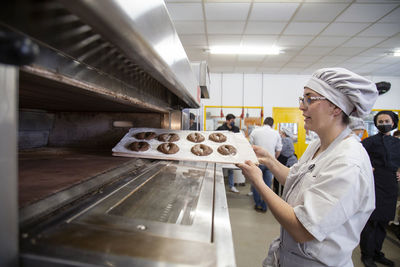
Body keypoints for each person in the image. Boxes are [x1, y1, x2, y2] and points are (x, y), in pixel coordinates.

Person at [237, 67, 378, 266]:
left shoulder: (348, 163)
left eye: (310, 99)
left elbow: (302, 229)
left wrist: (259, 182)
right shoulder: (318, 145)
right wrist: (269, 159)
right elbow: (296, 178)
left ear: (336, 107)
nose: (302, 107)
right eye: (302, 99)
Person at [360, 110, 400, 267]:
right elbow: (358, 156)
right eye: (380, 121)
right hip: (374, 183)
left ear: (394, 122)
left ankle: (378, 252)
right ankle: (367, 255)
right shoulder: (369, 142)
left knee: (384, 221)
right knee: (372, 222)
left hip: (391, 184)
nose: (384, 124)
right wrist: (368, 165)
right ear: (376, 123)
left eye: (387, 121)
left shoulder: (397, 143)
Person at [249, 117, 282, 212]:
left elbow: (250, 147)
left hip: (257, 161)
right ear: (272, 124)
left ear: (264, 123)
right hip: (269, 163)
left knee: (256, 183)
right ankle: (264, 206)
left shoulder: (255, 131)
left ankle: (257, 204)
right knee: (267, 185)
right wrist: (273, 158)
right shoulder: (276, 133)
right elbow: (279, 150)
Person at [217, 114, 240, 193]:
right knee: (220, 170)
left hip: (231, 151)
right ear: (227, 120)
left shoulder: (236, 129)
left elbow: (238, 139)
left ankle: (231, 186)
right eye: (232, 120)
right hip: (222, 151)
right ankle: (219, 186)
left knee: (231, 170)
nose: (233, 122)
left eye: (234, 120)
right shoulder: (221, 128)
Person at [274, 127, 297, 196]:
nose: (279, 133)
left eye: (280, 132)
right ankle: (279, 193)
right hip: (284, 160)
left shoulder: (286, 140)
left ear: (284, 133)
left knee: (282, 178)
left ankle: (279, 195)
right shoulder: (286, 140)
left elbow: (280, 149)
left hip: (287, 161)